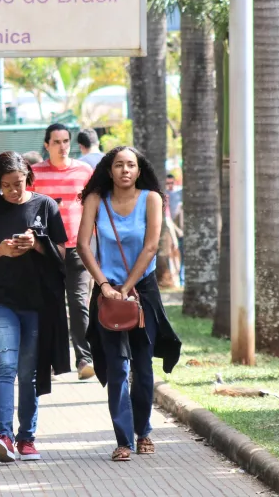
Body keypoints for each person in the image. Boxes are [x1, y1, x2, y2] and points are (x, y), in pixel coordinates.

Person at [76, 146, 182, 462]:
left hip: (143, 291)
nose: (125, 170)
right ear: (109, 170)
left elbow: (151, 247)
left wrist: (127, 287)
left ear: (139, 170)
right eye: (119, 165)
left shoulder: (151, 199)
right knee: (116, 367)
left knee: (143, 365)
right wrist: (105, 285)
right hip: (107, 293)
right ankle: (123, 440)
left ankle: (144, 431)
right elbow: (83, 245)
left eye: (131, 165)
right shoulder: (96, 200)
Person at [0, 151, 71, 463]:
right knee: (5, 367)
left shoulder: (45, 206)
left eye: (18, 183)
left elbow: (62, 253)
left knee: (28, 373)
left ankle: (27, 438)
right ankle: (3, 435)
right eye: (6, 185)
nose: (13, 190)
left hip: (36, 302)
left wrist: (36, 244)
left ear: (28, 177)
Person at [31, 124, 96, 380]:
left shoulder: (84, 171)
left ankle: (85, 359)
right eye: (56, 142)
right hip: (47, 249)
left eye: (66, 141)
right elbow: (27, 208)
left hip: (78, 248)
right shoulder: (35, 174)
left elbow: (94, 206)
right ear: (46, 145)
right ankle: (50, 360)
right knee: (50, 305)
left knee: (79, 304)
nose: (62, 146)